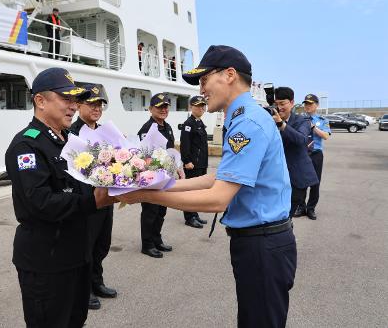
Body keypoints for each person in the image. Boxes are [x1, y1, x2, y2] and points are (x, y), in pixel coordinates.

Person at [118, 45, 297, 328]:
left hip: (262, 244)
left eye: (204, 80)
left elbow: (218, 199)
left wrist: (145, 194)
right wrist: (163, 183)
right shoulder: (244, 116)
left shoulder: (247, 122)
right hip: (259, 242)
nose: (201, 90)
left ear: (229, 75)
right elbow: (219, 177)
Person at [5, 67, 116, 328]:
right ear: (40, 101)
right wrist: (94, 201)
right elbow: (41, 202)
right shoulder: (26, 145)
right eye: (66, 99)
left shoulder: (68, 141)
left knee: (75, 320)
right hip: (47, 262)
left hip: (76, 254)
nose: (74, 107)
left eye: (75, 100)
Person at [69, 84, 117, 310]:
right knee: (84, 248)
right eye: (91, 104)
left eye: (100, 104)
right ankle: (83, 289)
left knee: (102, 244)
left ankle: (97, 282)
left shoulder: (106, 131)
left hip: (106, 196)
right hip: (86, 200)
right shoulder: (72, 132)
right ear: (78, 105)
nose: (97, 108)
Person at [137, 93, 175, 258]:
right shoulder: (147, 129)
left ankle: (157, 239)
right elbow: (143, 155)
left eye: (166, 106)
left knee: (161, 211)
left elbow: (171, 151)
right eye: (159, 107)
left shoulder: (167, 127)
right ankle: (147, 244)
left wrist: (177, 169)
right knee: (150, 212)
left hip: (166, 177)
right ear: (151, 109)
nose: (163, 110)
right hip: (151, 178)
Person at [272, 87, 319, 218]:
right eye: (276, 104)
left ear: (292, 103)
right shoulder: (270, 121)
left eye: (282, 104)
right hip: (276, 177)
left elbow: (301, 139)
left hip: (295, 178)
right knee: (277, 216)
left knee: (286, 215)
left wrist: (281, 124)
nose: (279, 107)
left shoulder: (303, 121)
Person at [294, 94, 331, 220]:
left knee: (315, 182)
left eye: (310, 104)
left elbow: (325, 136)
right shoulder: (299, 119)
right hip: (302, 153)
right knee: (301, 181)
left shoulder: (322, 120)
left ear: (317, 105)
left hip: (316, 154)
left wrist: (313, 127)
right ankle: (301, 206)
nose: (307, 106)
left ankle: (311, 208)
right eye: (306, 104)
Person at [180, 95, 209, 228]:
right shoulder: (188, 124)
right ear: (191, 107)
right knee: (190, 191)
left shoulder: (199, 123)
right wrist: (186, 161)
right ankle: (189, 217)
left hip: (201, 163)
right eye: (198, 106)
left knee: (197, 191)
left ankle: (195, 214)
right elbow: (185, 144)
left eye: (202, 106)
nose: (201, 108)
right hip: (192, 164)